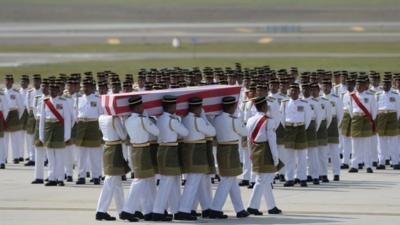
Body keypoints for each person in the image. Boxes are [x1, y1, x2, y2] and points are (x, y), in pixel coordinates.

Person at [175, 97, 216, 221]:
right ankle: (183, 210)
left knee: (201, 181)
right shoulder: (198, 120)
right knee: (193, 182)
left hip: (190, 151)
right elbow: (212, 132)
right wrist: (203, 117)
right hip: (197, 152)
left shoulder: (185, 119)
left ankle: (207, 208)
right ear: (198, 108)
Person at [121, 95, 160, 222]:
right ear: (138, 107)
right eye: (142, 106)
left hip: (135, 149)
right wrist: (149, 118)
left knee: (148, 180)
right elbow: (156, 132)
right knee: (140, 181)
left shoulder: (127, 120)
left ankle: (148, 210)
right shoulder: (143, 120)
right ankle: (127, 210)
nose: (143, 108)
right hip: (143, 150)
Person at [210, 96, 249, 219]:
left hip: (221, 148)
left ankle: (240, 209)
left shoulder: (217, 119)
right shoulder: (233, 120)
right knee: (227, 179)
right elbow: (244, 132)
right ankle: (215, 208)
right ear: (232, 107)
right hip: (230, 150)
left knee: (231, 180)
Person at [152, 95, 189, 221]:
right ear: (172, 106)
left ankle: (176, 209)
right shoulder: (172, 120)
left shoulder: (160, 118)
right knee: (167, 181)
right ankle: (158, 211)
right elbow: (185, 133)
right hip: (170, 150)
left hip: (164, 148)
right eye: (175, 105)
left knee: (173, 182)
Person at [246, 96, 283, 215]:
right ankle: (252, 206)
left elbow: (248, 139)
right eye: (266, 105)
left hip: (255, 149)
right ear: (263, 106)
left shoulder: (250, 120)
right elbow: (272, 140)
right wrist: (276, 158)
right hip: (265, 150)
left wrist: (250, 153)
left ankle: (271, 206)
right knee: (262, 179)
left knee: (266, 180)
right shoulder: (269, 120)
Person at [95, 114, 130, 221]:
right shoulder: (114, 119)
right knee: (110, 181)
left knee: (117, 183)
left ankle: (122, 210)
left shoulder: (101, 117)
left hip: (108, 147)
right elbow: (123, 135)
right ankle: (101, 210)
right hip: (115, 149)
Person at [39, 81, 71, 186]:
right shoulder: (45, 101)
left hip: (59, 129)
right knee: (50, 156)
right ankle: (52, 178)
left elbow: (67, 119)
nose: (52, 91)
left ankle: (60, 179)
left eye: (54, 90)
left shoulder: (64, 101)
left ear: (58, 91)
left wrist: (67, 135)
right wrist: (41, 134)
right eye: (50, 90)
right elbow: (42, 120)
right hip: (48, 129)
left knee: (59, 156)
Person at [281, 83, 312, 187]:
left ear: (299, 92)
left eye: (295, 91)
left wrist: (302, 127)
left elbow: (308, 117)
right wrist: (287, 128)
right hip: (289, 129)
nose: (293, 92)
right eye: (291, 91)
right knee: (289, 156)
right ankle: (290, 178)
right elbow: (282, 117)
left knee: (302, 155)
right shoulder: (284, 103)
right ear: (288, 92)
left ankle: (302, 178)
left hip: (301, 128)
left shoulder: (304, 103)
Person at [75, 80, 103, 185]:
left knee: (94, 154)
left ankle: (96, 176)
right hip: (81, 125)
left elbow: (101, 114)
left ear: (92, 88)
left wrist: (100, 130)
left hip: (93, 125)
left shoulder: (98, 99)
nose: (85, 89)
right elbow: (75, 113)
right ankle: (81, 176)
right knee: (81, 154)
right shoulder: (78, 99)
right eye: (84, 87)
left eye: (87, 87)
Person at [347, 77, 377, 173]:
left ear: (365, 86)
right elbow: (350, 110)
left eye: (361, 85)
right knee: (355, 144)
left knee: (367, 144)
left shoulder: (371, 96)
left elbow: (374, 110)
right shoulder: (352, 96)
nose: (359, 86)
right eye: (357, 85)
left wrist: (370, 119)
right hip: (356, 119)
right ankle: (354, 165)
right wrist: (356, 117)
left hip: (366, 119)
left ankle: (368, 165)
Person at [375, 79, 400, 170]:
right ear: (382, 84)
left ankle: (395, 162)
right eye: (384, 84)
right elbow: (375, 108)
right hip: (381, 116)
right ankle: (381, 162)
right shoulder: (377, 95)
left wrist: (395, 119)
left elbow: (398, 109)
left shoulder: (395, 95)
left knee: (393, 141)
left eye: (388, 84)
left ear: (390, 85)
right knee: (381, 141)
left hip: (392, 116)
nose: (386, 86)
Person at [3, 75, 25, 164]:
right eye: (6, 80)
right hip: (4, 115)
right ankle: (3, 157)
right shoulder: (2, 92)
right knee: (4, 138)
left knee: (15, 138)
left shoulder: (16, 93)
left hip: (14, 114)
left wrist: (17, 117)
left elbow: (21, 107)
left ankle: (16, 157)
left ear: (12, 82)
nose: (7, 82)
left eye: (9, 81)